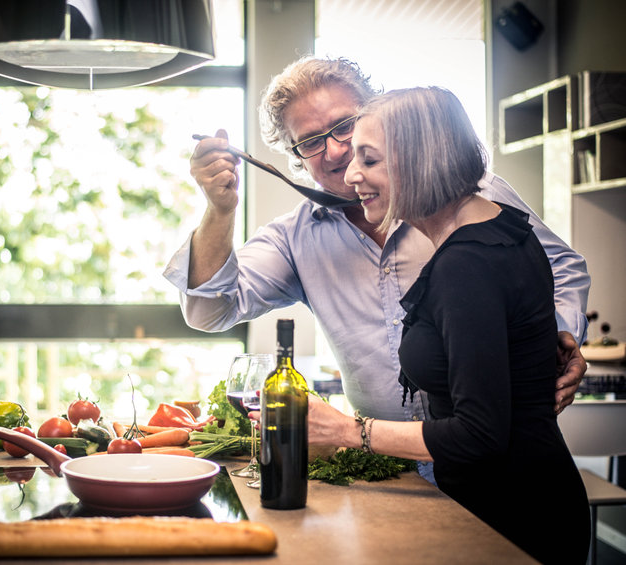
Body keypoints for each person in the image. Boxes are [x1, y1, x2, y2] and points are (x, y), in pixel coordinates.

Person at [163, 56, 590, 480]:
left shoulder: (468, 196)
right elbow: (209, 310)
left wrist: (546, 345)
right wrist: (220, 210)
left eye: (344, 126)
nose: (335, 151)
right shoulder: (294, 238)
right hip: (390, 469)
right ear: (296, 157)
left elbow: (559, 267)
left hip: (499, 468)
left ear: (374, 115)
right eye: (310, 142)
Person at [306, 85, 589, 564]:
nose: (352, 175)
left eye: (369, 160)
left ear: (419, 160)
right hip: (528, 499)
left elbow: (479, 435)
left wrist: (349, 430)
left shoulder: (466, 264)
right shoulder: (505, 226)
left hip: (511, 520)